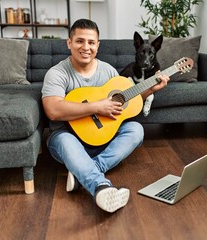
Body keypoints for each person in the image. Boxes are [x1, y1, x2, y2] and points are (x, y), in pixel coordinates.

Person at [41, 19, 169, 213]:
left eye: (91, 42)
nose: (86, 47)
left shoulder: (108, 71)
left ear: (98, 45)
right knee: (66, 140)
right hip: (66, 138)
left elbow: (125, 102)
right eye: (79, 41)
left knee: (136, 130)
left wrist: (150, 90)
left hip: (102, 139)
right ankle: (101, 187)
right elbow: (53, 110)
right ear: (69, 43)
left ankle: (83, 171)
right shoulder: (57, 73)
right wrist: (96, 107)